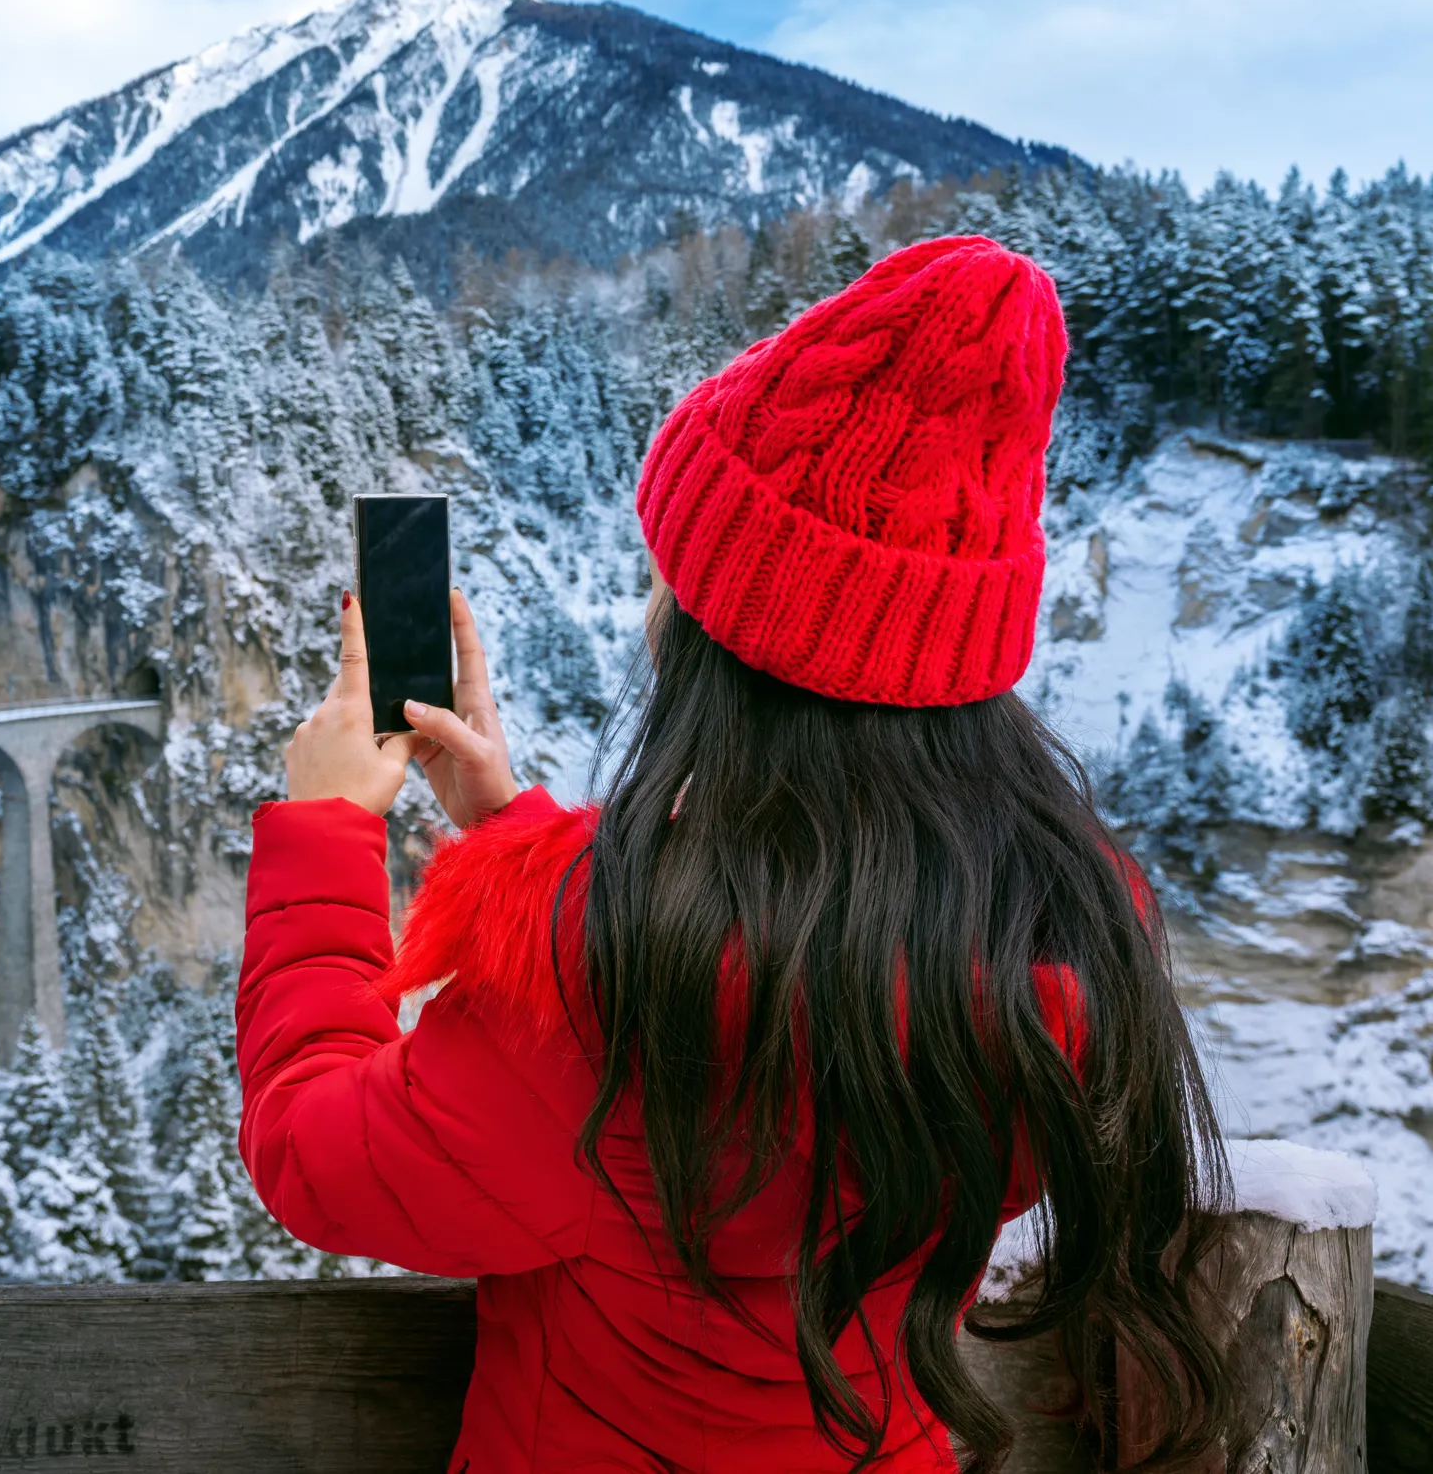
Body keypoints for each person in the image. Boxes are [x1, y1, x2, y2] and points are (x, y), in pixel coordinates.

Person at [235, 237, 1227, 1472]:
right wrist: (514, 836)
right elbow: (787, 947)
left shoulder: (590, 1005)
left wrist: (325, 836)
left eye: (673, 576)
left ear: (728, 643)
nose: (650, 607)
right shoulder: (1056, 944)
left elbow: (313, 1151)